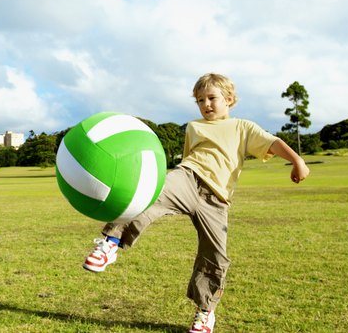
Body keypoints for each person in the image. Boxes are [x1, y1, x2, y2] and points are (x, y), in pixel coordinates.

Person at [82, 73, 310, 333]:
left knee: (215, 255)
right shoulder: (194, 127)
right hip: (189, 178)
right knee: (148, 194)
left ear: (229, 99)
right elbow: (189, 156)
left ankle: (205, 311)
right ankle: (110, 245)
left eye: (212, 98)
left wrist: (297, 160)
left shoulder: (243, 127)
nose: (206, 104)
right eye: (200, 100)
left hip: (217, 199)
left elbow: (273, 143)